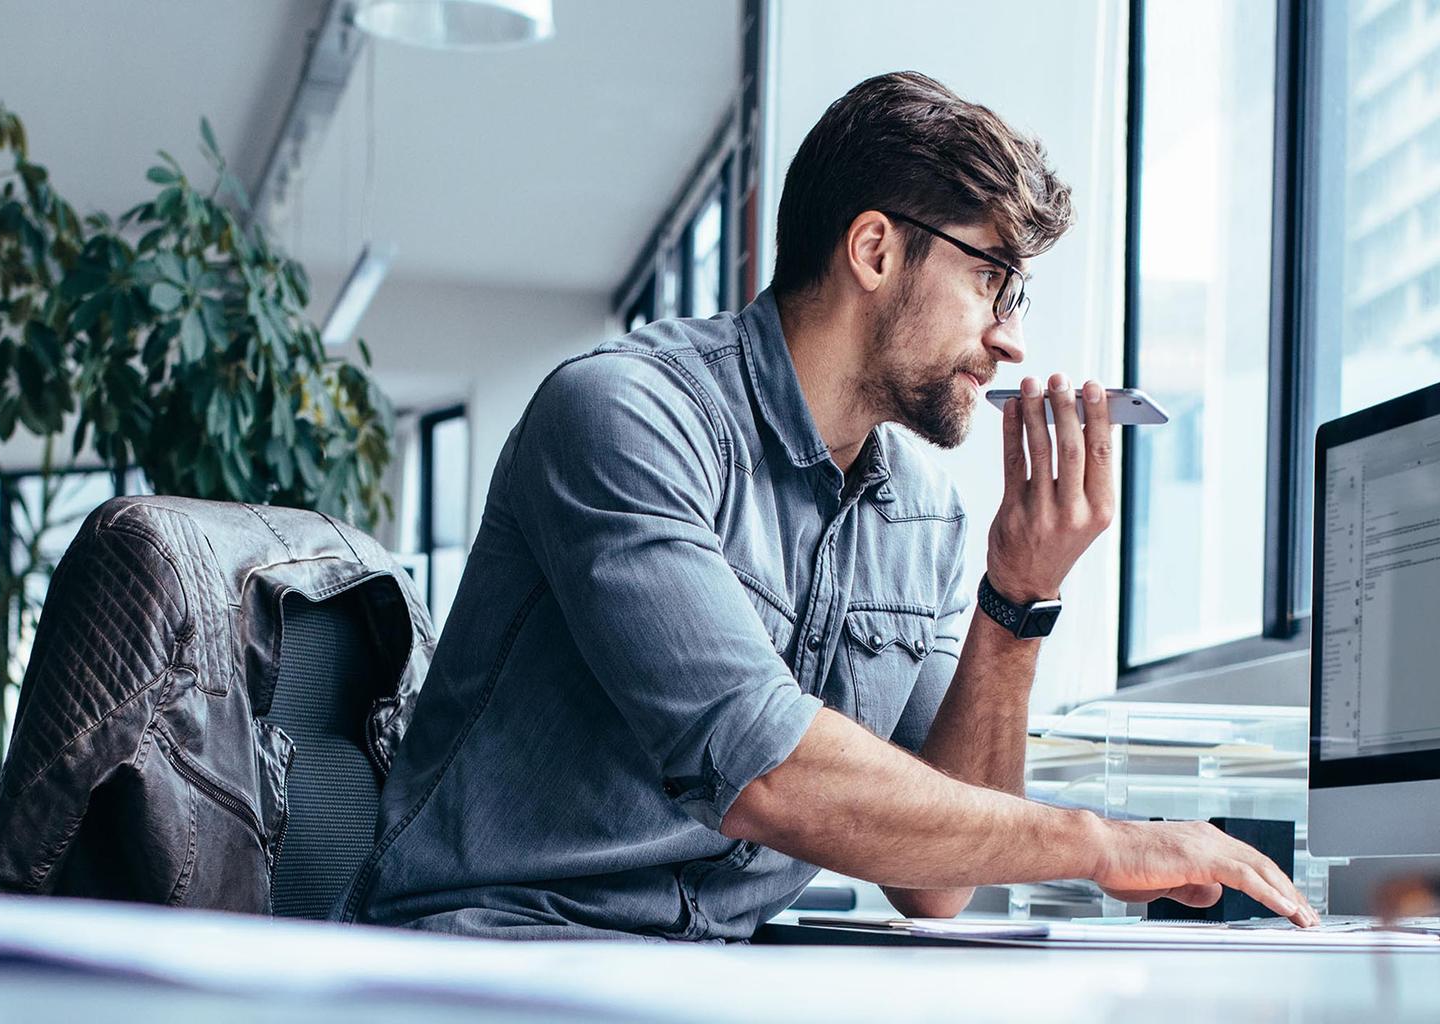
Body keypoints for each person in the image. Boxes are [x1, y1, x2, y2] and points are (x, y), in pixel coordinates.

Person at [335, 71, 1318, 939]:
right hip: (492, 948)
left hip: (703, 972)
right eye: (993, 282)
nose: (1011, 339)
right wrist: (1102, 844)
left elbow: (936, 889)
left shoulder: (921, 515)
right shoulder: (625, 417)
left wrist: (1019, 596)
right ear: (877, 250)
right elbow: (766, 769)